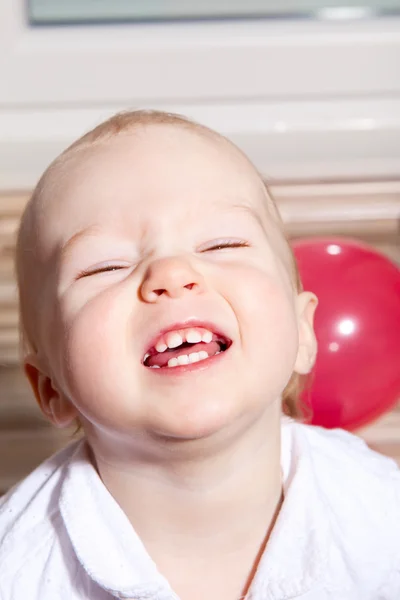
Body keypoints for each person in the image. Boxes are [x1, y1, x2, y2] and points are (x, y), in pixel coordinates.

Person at [0, 110, 399, 600]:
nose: (171, 272)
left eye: (222, 242)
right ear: (50, 388)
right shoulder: (18, 567)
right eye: (106, 266)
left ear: (302, 331)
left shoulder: (382, 518)